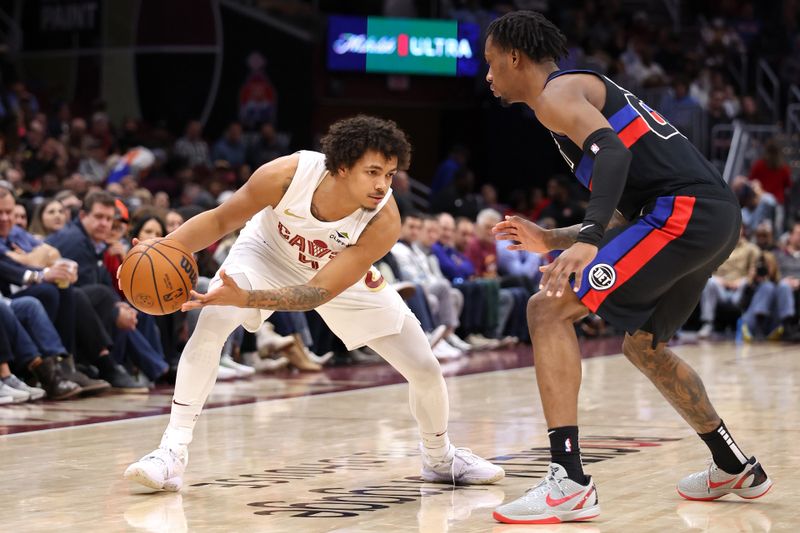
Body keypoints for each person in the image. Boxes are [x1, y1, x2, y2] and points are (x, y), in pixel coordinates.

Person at [485, 11, 771, 524]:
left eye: (490, 63)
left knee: (546, 311)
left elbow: (612, 157)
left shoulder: (556, 95)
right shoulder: (575, 101)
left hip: (682, 213)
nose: (487, 77)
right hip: (711, 217)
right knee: (644, 347)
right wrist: (553, 238)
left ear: (513, 56)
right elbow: (624, 212)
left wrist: (590, 240)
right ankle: (733, 464)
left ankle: (568, 481)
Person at [124, 115, 504, 491]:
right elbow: (220, 220)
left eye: (389, 174)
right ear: (341, 166)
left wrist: (250, 298)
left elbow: (319, 292)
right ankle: (171, 452)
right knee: (213, 320)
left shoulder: (383, 220)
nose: (382, 185)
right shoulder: (287, 175)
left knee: (425, 366)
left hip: (333, 276)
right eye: (372, 172)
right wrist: (165, 247)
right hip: (266, 253)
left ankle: (439, 457)